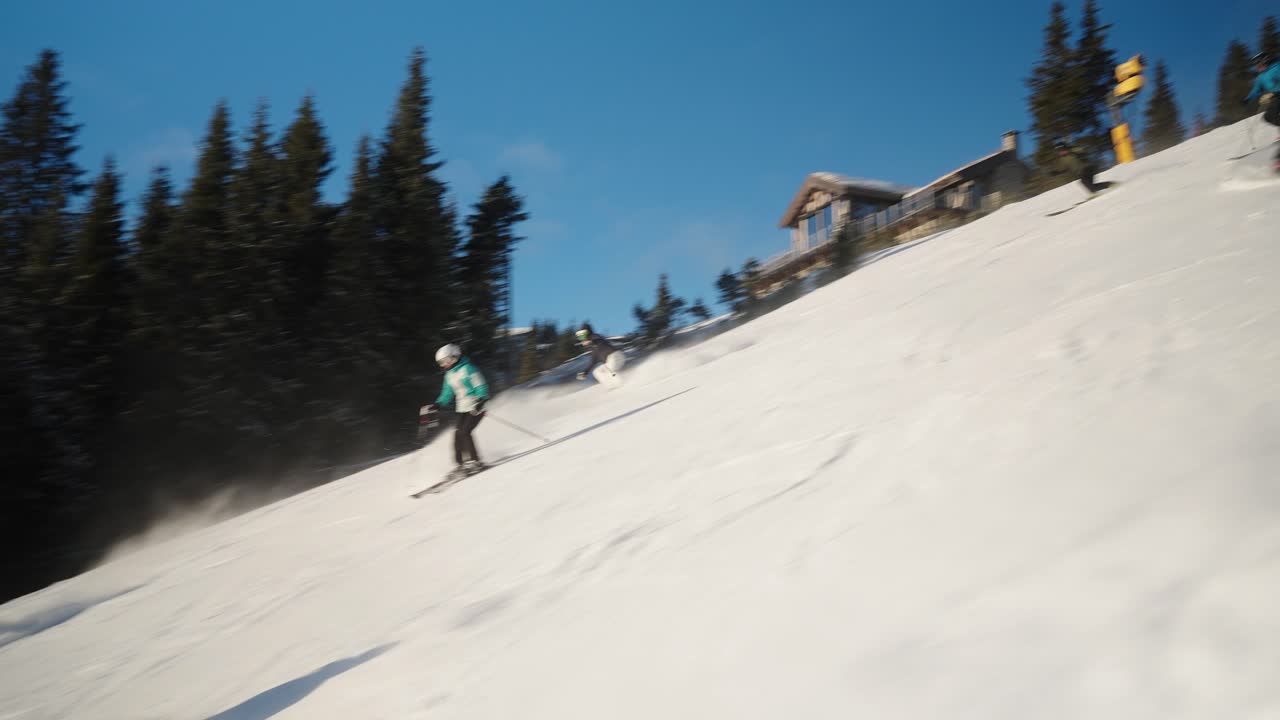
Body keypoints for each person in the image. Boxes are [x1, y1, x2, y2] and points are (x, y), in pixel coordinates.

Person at [422, 343, 490, 477]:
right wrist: (438, 404)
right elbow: (447, 393)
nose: (443, 365)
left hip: (476, 406)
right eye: (440, 363)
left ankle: (475, 462)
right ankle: (461, 465)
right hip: (462, 408)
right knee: (457, 434)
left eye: (444, 361)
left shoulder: (469, 369)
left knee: (465, 432)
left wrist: (481, 400)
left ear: (454, 357)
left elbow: (481, 386)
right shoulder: (449, 375)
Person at [1244, 51, 1280, 165]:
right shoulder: (1261, 77)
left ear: (1265, 61)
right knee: (1268, 116)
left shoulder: (1276, 68)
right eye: (1256, 66)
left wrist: (1275, 92)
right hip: (1276, 97)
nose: (1257, 68)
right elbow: (1256, 89)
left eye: (1259, 64)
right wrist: (1247, 99)